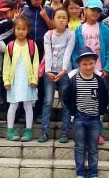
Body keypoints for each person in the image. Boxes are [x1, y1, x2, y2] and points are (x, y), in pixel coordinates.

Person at [71, 0, 109, 145]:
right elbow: (75, 51)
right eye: (92, 9)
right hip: (84, 72)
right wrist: (77, 67)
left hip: (100, 71)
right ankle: (83, 132)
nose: (95, 13)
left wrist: (107, 67)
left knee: (98, 102)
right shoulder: (79, 29)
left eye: (98, 10)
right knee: (83, 101)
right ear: (86, 10)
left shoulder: (104, 28)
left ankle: (98, 132)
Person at [63, 46, 108, 178]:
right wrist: (74, 111)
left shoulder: (99, 81)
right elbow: (66, 97)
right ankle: (80, 173)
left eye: (91, 63)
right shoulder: (74, 81)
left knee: (93, 148)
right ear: (79, 65)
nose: (88, 67)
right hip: (79, 118)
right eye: (85, 64)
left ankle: (93, 172)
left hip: (95, 119)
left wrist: (101, 111)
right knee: (80, 147)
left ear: (95, 63)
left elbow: (105, 97)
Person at [39, 8, 76, 143]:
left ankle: (65, 132)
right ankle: (44, 131)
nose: (61, 20)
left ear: (67, 20)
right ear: (53, 19)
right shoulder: (48, 34)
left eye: (64, 18)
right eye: (58, 17)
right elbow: (48, 53)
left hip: (65, 73)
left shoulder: (71, 34)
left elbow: (68, 53)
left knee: (65, 101)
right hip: (50, 73)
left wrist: (64, 70)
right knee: (48, 101)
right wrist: (48, 70)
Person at [3, 15, 39, 142]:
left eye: (23, 29)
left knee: (28, 105)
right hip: (14, 81)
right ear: (14, 29)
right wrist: (6, 80)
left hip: (28, 81)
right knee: (13, 105)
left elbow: (36, 63)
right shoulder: (10, 46)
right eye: (18, 28)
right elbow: (6, 64)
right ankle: (9, 130)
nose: (20, 31)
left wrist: (34, 79)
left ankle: (28, 130)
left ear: (27, 30)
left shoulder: (32, 45)